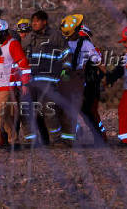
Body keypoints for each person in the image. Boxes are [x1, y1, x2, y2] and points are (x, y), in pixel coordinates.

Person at [21, 10, 69, 146]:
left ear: (44, 22)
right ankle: (31, 141)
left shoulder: (56, 36)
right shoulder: (29, 38)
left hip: (49, 80)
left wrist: (66, 71)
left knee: (49, 110)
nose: (34, 24)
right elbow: (19, 54)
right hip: (30, 80)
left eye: (37, 21)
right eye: (33, 21)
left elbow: (67, 53)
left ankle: (56, 140)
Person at [59, 14, 104, 146]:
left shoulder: (81, 44)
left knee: (82, 109)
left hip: (77, 79)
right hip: (70, 78)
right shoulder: (82, 44)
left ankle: (95, 137)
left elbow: (98, 60)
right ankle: (74, 134)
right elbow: (98, 60)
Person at [0, 19, 31, 151]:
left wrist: (25, 84)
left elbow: (24, 65)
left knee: (0, 112)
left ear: (3, 32)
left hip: (8, 85)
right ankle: (14, 141)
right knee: (5, 116)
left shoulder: (13, 45)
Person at [78, 24, 108, 143]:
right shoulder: (79, 47)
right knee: (86, 111)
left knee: (90, 111)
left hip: (91, 84)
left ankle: (100, 136)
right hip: (86, 84)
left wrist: (104, 79)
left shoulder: (91, 48)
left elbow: (101, 66)